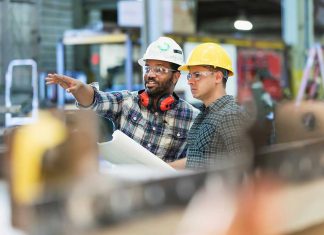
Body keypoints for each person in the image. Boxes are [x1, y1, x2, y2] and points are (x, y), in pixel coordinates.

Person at [46, 37, 199, 162]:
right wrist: (80, 89)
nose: (151, 74)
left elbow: (195, 162)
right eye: (148, 68)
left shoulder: (192, 118)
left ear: (176, 76)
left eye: (159, 69)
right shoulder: (127, 101)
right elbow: (95, 100)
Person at [169, 42, 252, 170]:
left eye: (197, 75)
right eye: (190, 75)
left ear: (218, 77)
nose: (190, 81)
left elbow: (244, 167)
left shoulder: (230, 116)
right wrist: (162, 168)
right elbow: (196, 160)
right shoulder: (204, 115)